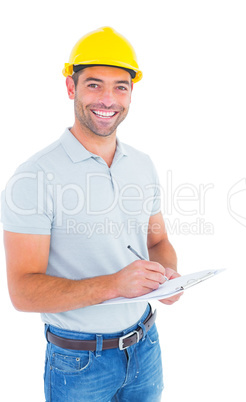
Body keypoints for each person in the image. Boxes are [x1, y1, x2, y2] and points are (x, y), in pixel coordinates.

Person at [1, 26, 182, 401]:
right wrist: (113, 284)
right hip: (79, 363)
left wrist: (167, 279)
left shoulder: (142, 164)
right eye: (94, 84)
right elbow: (22, 291)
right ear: (71, 88)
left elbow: (157, 240)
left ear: (132, 93)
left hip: (145, 347)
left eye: (120, 86)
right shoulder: (34, 177)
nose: (108, 99)